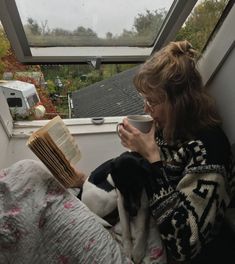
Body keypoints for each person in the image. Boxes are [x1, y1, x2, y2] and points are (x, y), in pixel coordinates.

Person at [116, 40, 235, 263]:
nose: (146, 110)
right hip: (152, 230)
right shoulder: (167, 129)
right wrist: (140, 150)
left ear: (179, 102)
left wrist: (152, 159)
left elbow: (185, 245)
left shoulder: (210, 151)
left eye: (152, 101)